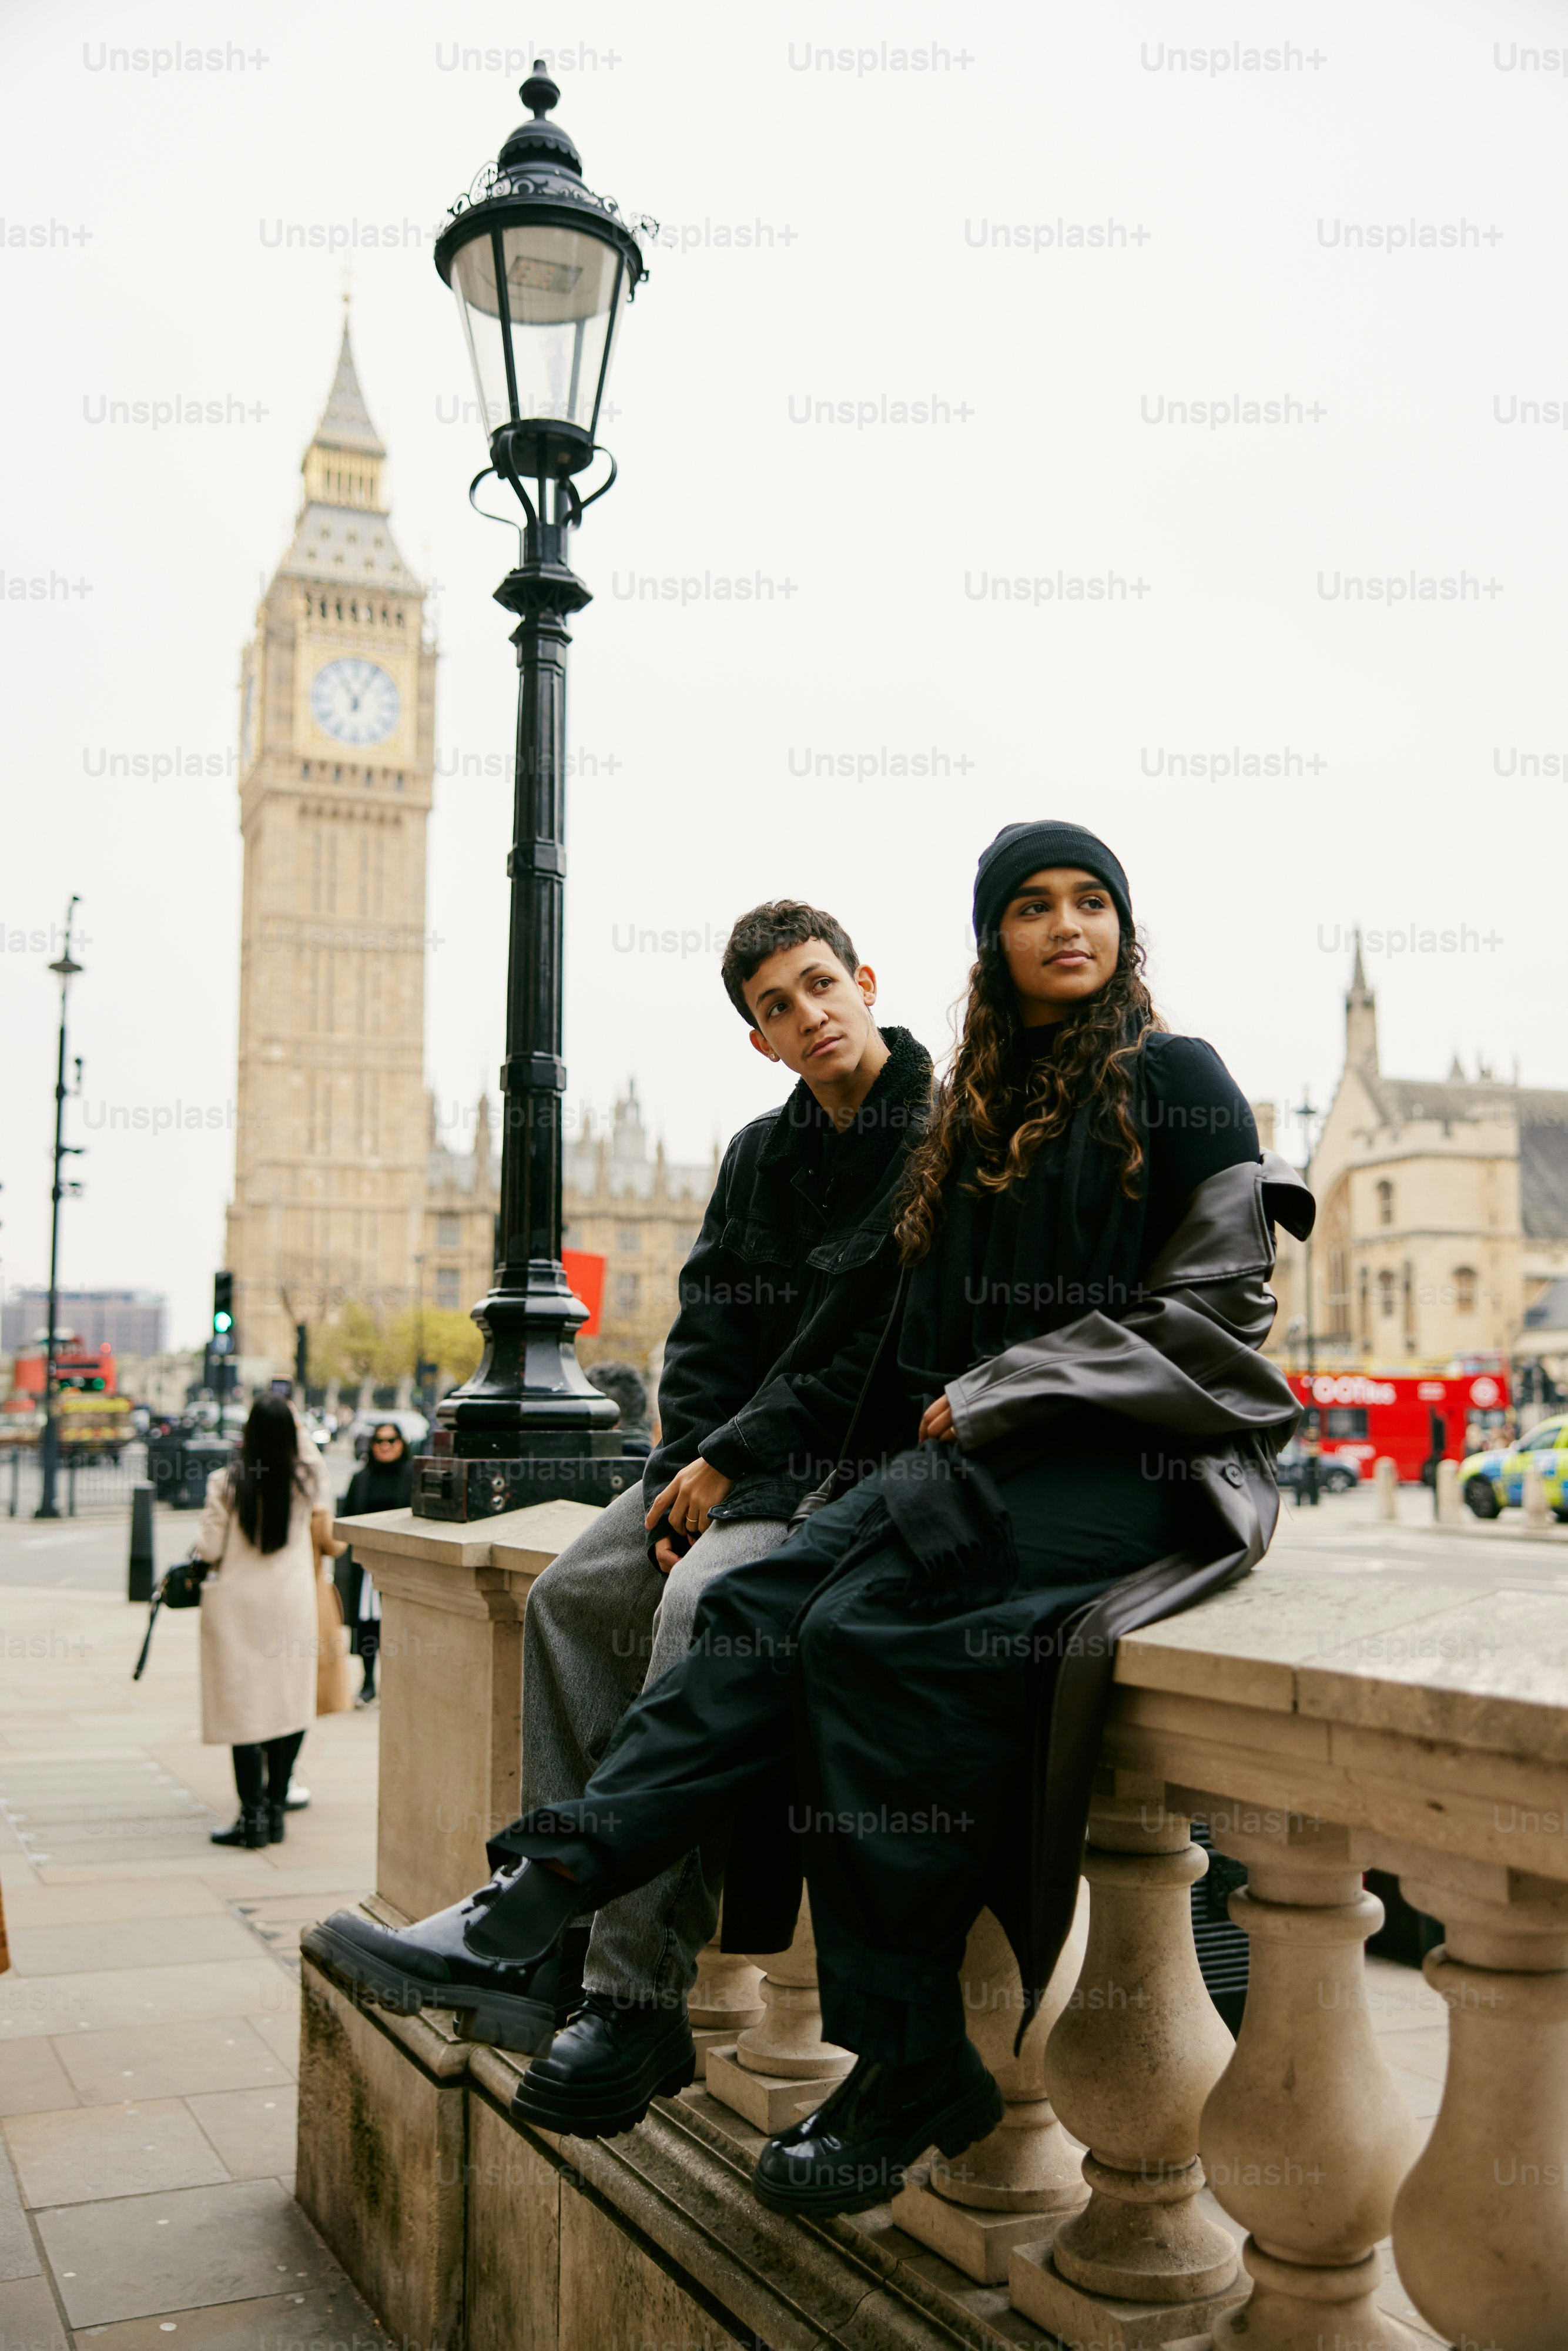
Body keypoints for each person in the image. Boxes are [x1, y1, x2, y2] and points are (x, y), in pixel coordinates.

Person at [306, 825, 1311, 2212]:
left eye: (1091, 902)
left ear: (1123, 928)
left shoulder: (1178, 1076)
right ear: (993, 938)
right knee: (763, 1612)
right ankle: (536, 1899)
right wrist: (736, 1448)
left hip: (1137, 1463)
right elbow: (888, 1331)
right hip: (980, 1458)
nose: (1065, 925)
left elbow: (1220, 1315)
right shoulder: (980, 1113)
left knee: (866, 1647)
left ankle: (901, 2058)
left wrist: (993, 1388)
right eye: (1032, 906)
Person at [311, 899, 930, 2129]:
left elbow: (876, 1352)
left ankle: (629, 1994)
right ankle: (549, 1950)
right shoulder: (762, 1152)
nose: (806, 1014)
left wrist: (727, 1464)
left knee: (701, 1609)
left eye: (818, 985)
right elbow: (702, 1324)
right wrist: (685, 1460)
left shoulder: (941, 1142)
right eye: (774, 1005)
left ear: (863, 979)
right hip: (732, 1461)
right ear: (758, 1037)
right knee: (568, 1595)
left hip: (846, 1471)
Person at [200, 1394, 329, 1848]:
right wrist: (294, 1421)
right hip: (290, 1602)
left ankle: (251, 1817)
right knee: (288, 1702)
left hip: (240, 1604)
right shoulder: (306, 1479)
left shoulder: (227, 1481)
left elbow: (210, 1549)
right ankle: (276, 1812)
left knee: (245, 1707)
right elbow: (309, 1452)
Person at [336, 1422, 415, 1703]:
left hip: (401, 1564)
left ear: (402, 1444)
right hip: (365, 1566)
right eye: (379, 1441)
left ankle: (396, 1683)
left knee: (398, 1623)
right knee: (367, 1624)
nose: (385, 1446)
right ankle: (368, 1681)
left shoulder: (412, 1476)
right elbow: (346, 1518)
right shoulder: (361, 1478)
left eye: (392, 1440)